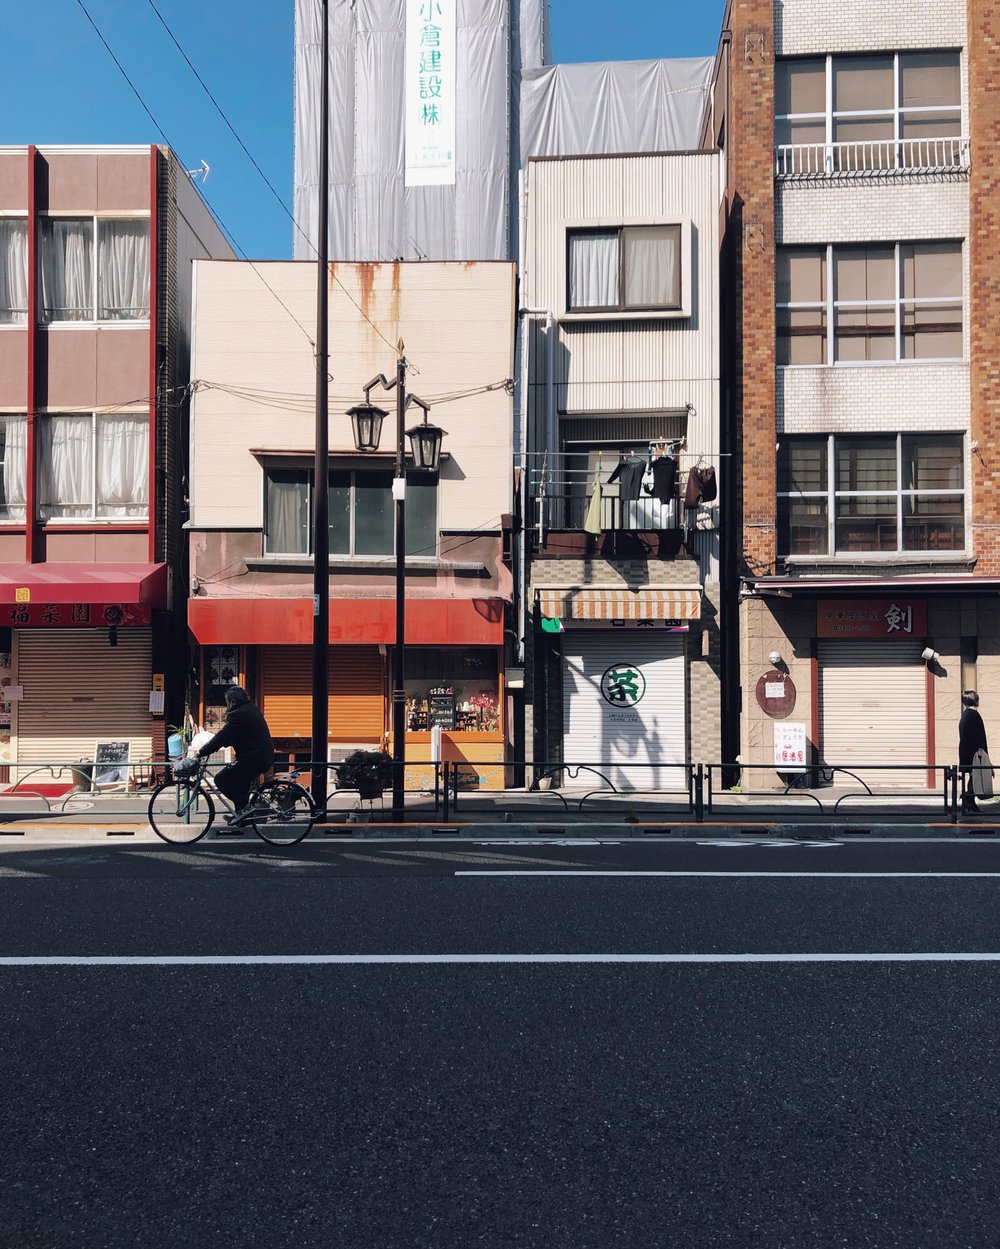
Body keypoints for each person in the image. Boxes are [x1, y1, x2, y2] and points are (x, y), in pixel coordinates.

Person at [196, 686, 275, 821]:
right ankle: (242, 817)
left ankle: (245, 808)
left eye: (227, 703)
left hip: (253, 758)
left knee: (221, 779)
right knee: (240, 786)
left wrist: (202, 752)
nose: (227, 706)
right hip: (260, 756)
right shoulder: (250, 709)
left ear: (233, 702)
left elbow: (223, 736)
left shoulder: (238, 714)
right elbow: (238, 735)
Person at [959, 689, 989, 815]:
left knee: (973, 777)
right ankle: (967, 798)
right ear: (974, 700)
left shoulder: (966, 715)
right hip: (974, 753)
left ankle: (969, 801)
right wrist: (981, 751)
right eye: (977, 698)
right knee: (975, 777)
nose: (978, 700)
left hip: (966, 751)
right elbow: (979, 735)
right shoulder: (974, 715)